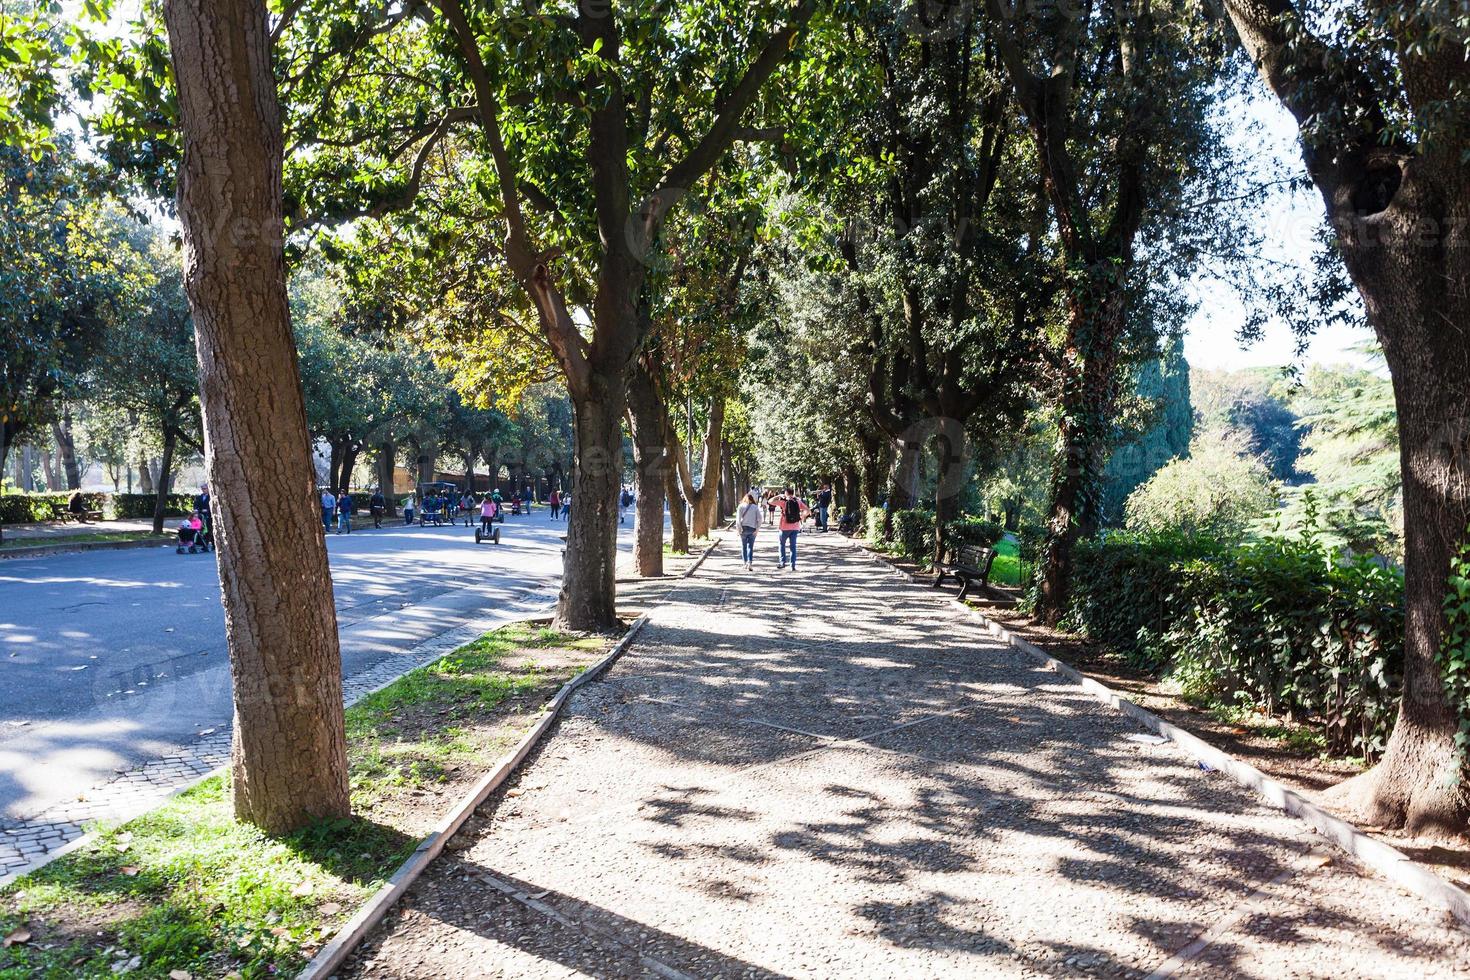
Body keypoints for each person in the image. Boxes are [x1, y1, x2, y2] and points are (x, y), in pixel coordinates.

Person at [773, 487, 809, 571]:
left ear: (786, 493)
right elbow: (807, 510)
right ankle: (792, 565)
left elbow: (770, 501)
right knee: (793, 547)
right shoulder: (798, 501)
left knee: (782, 545)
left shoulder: (783, 502)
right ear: (792, 493)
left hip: (784, 527)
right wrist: (801, 517)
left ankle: (782, 563)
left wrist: (778, 495)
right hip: (795, 527)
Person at [737, 491, 762, 571]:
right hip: (752, 529)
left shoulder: (740, 506)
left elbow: (738, 520)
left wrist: (739, 529)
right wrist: (757, 529)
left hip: (743, 529)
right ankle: (750, 563)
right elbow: (760, 519)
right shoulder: (755, 507)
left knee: (744, 546)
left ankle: (744, 563)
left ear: (744, 499)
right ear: (752, 499)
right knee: (750, 547)